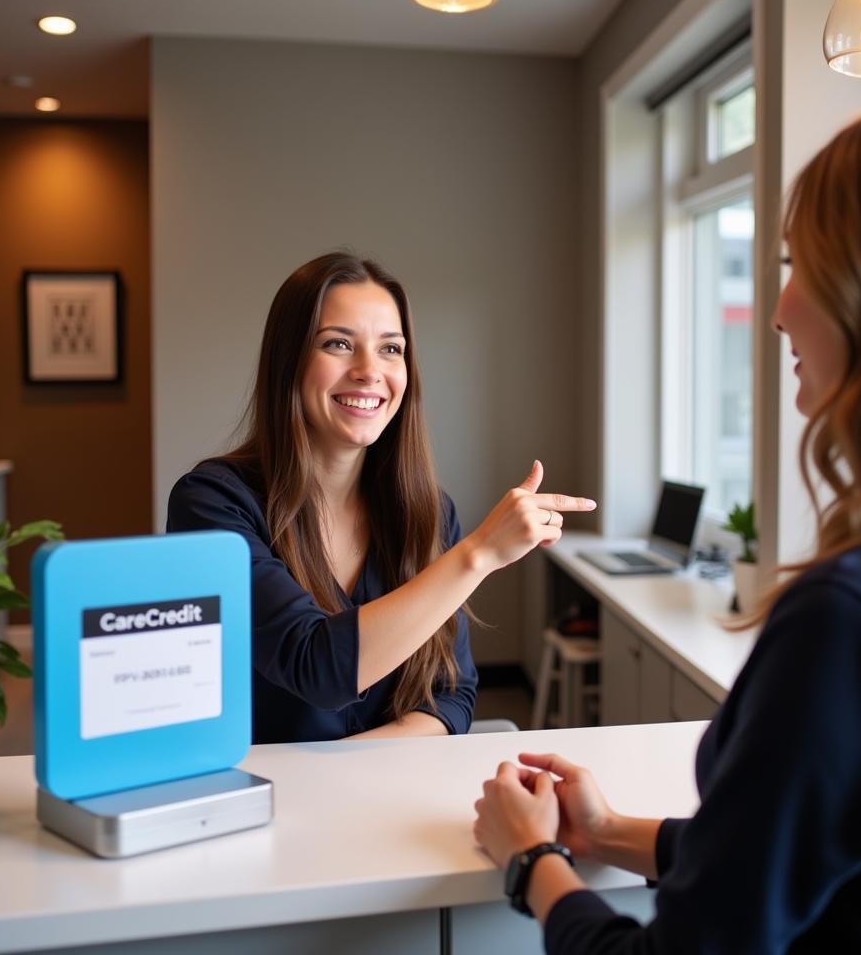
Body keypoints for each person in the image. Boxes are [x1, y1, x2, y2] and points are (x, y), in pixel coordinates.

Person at [473, 93, 861, 952]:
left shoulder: (853, 623)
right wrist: (611, 830)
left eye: (802, 264)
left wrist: (531, 862)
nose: (778, 311)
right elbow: (847, 863)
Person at [167, 251, 596, 743]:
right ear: (289, 361)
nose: (369, 371)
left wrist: (352, 777)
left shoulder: (431, 512)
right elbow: (316, 668)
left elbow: (451, 695)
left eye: (391, 349)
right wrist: (478, 555)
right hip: (264, 806)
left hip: (384, 795)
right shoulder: (211, 506)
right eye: (338, 344)